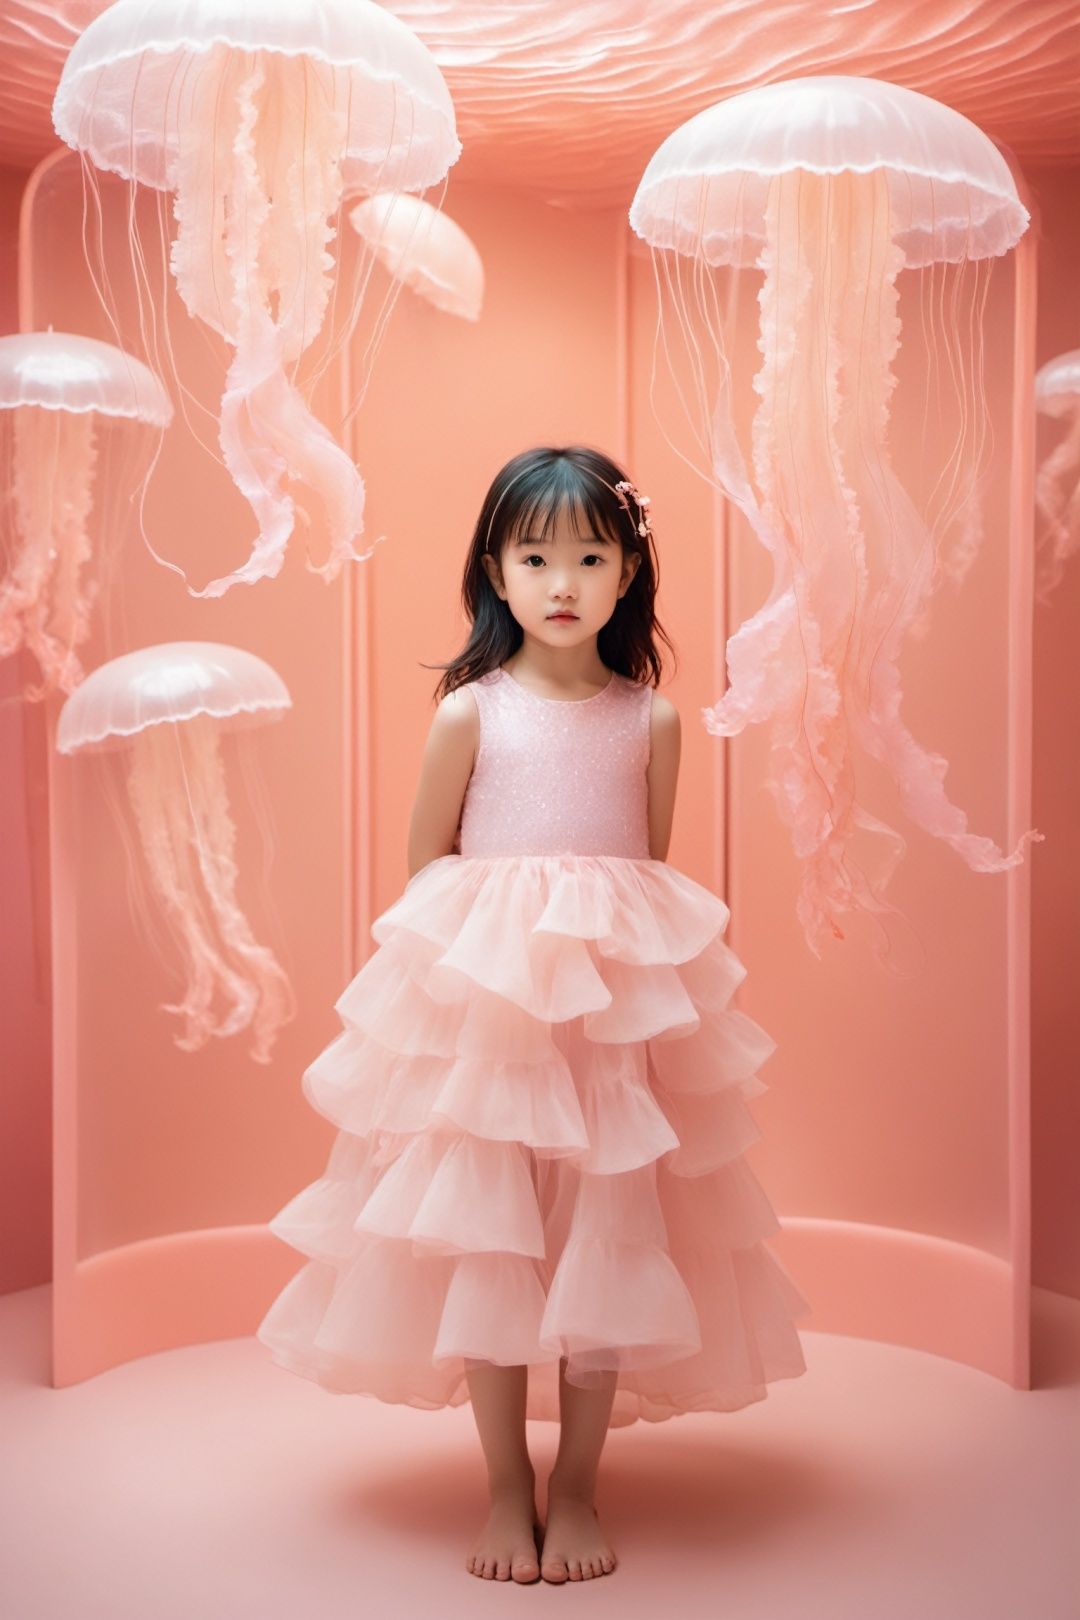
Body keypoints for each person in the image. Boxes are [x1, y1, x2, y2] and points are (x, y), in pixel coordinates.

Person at [257, 445, 810, 1584]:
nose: (564, 581)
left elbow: (641, 872)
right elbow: (430, 862)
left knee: (611, 1231)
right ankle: (508, 1487)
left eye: (591, 556)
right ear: (497, 574)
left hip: (607, 1022)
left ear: (628, 574)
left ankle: (577, 1486)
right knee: (493, 1241)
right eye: (537, 556)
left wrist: (607, 987)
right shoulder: (472, 712)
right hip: (491, 1023)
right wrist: (464, 1001)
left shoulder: (650, 721)